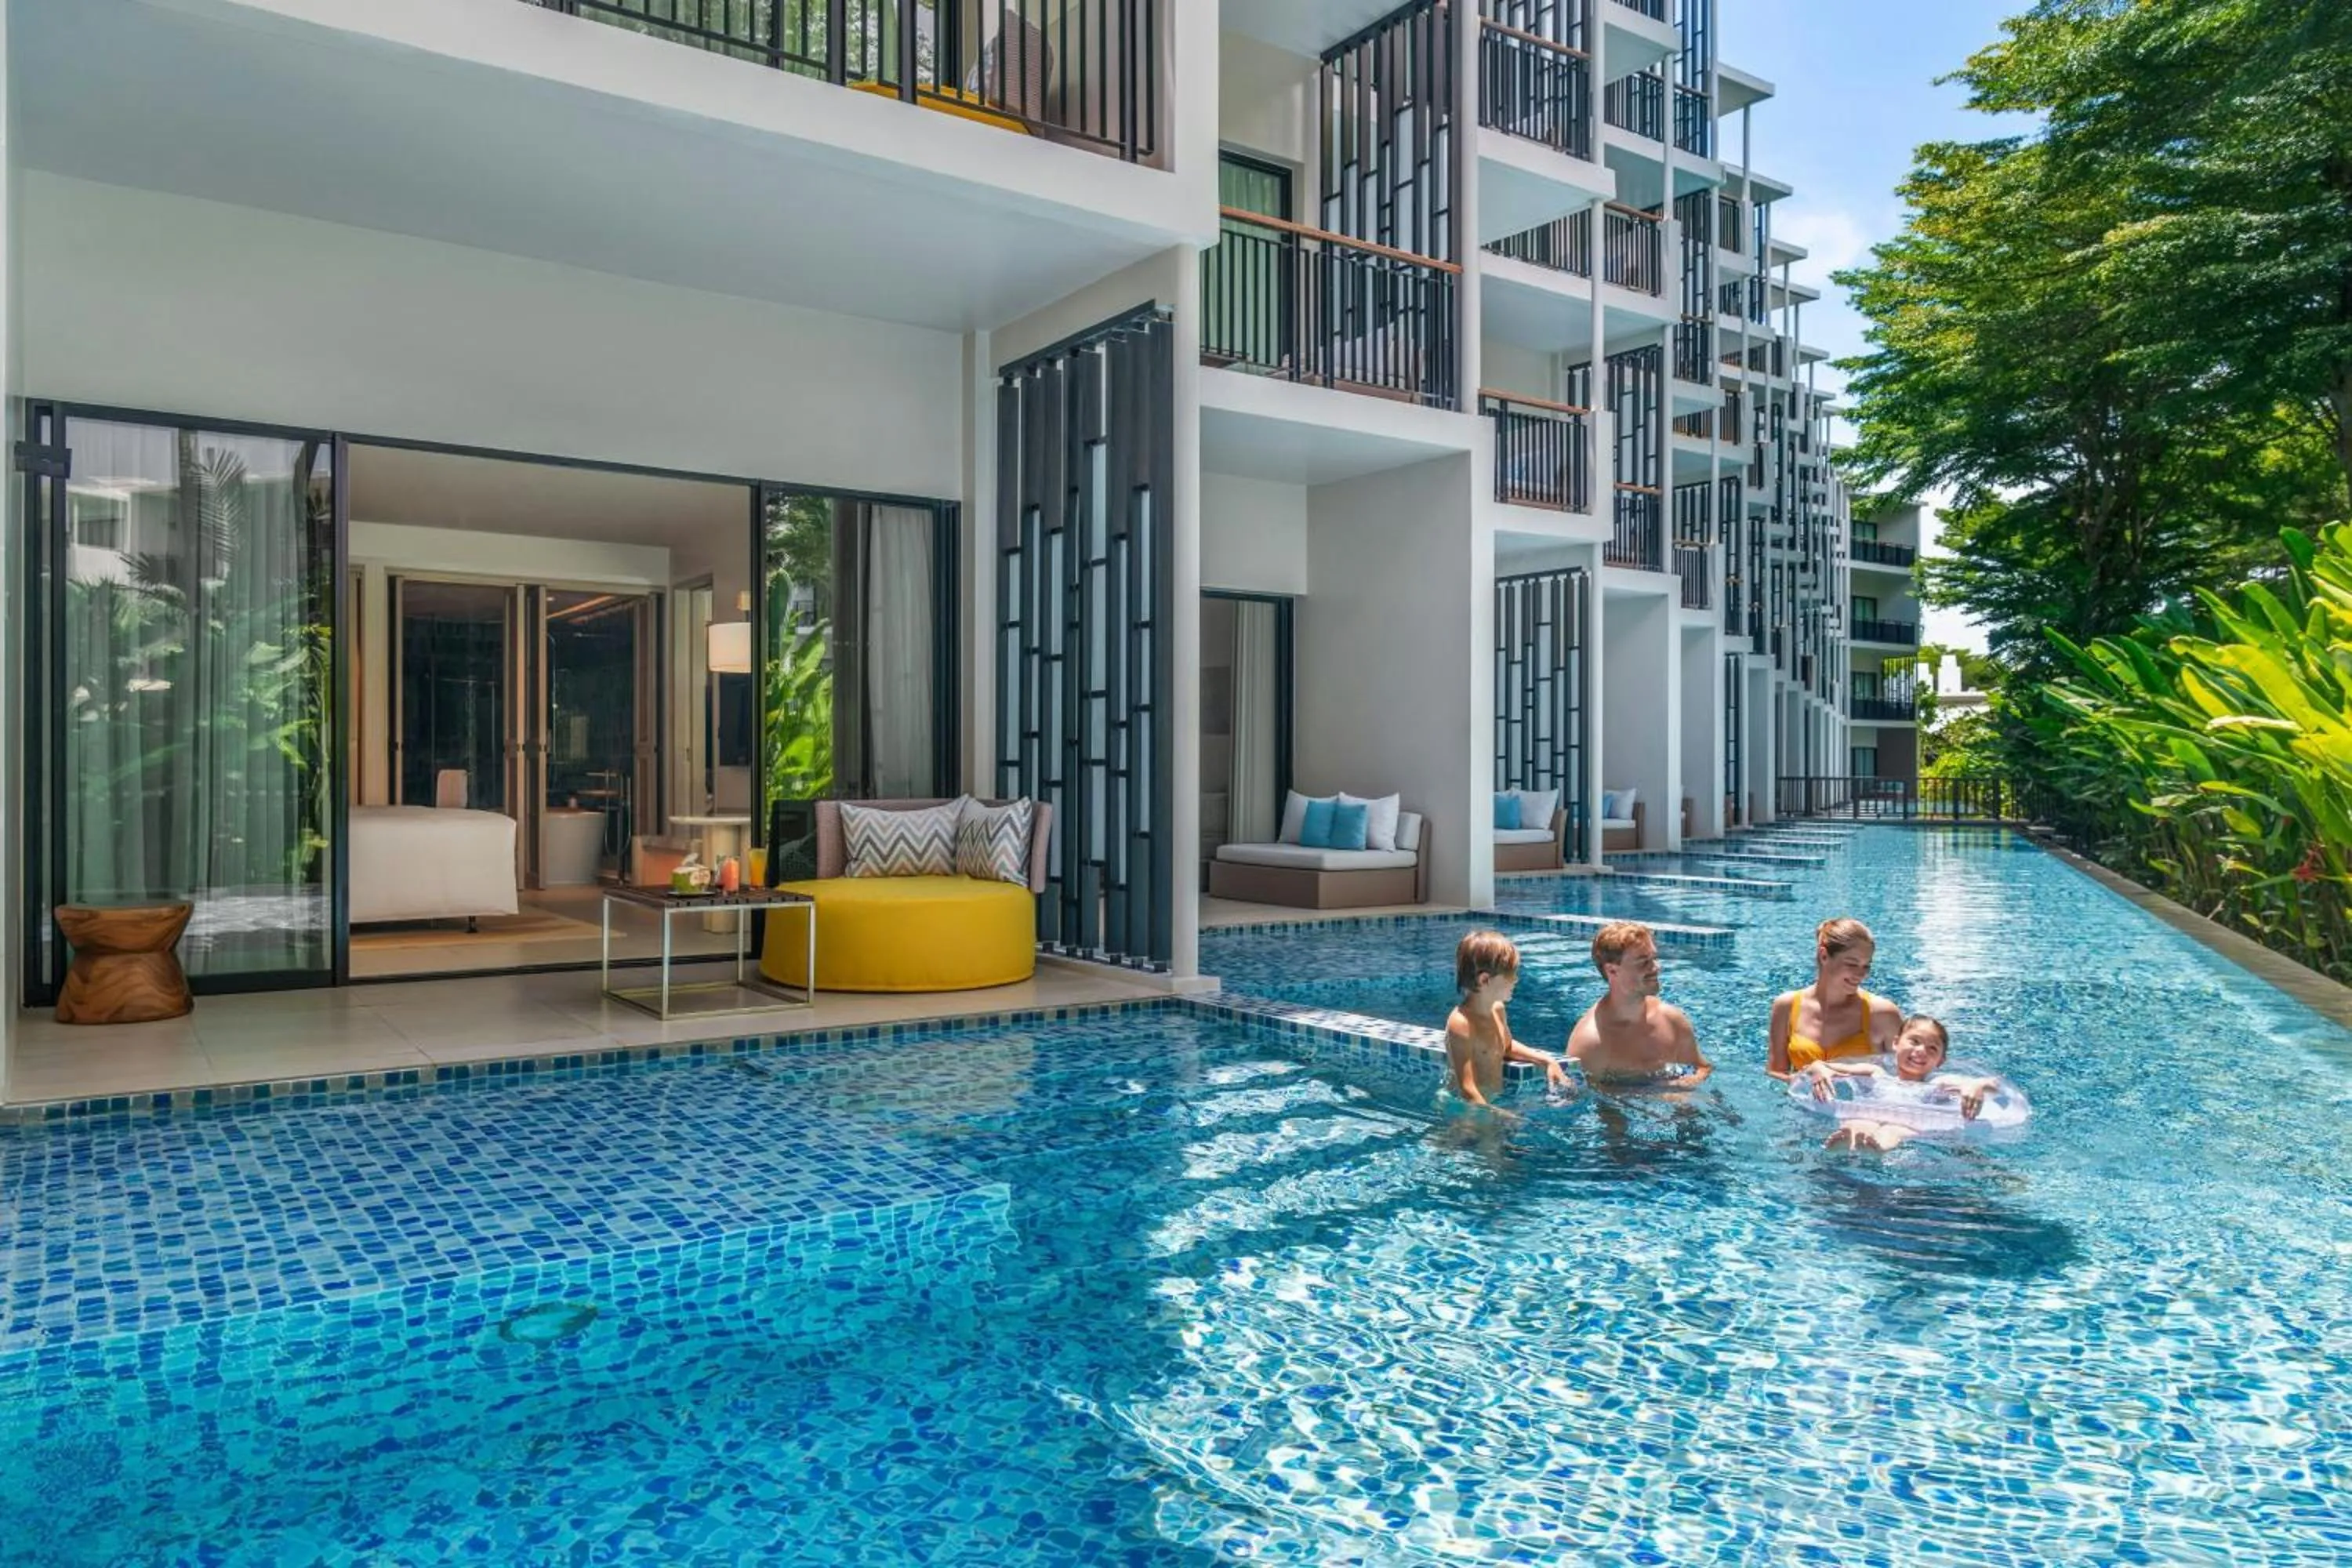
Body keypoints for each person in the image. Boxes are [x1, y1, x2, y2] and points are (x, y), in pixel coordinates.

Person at [1804, 1014, 2004, 1152]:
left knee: (1893, 1130)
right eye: (1914, 1041)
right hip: (1869, 1116)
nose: (1921, 1051)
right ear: (1896, 1043)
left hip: (1908, 1126)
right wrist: (1818, 1069)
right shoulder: (1876, 1074)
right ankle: (1847, 1142)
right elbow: (1822, 1066)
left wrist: (1975, 1086)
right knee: (1858, 1123)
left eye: (1932, 1049)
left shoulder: (1937, 1083)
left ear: (1940, 1061)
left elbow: (1993, 1085)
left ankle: (1877, 1149)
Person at [1565, 920, 1712, 1087]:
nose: (1656, 968)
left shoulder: (1671, 1020)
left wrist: (1685, 1086)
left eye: (1654, 958)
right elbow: (1582, 1098)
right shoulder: (1591, 1042)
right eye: (1644, 962)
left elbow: (1702, 1068)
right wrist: (1659, 1095)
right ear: (1612, 970)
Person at [1443, 930, 1571, 1108]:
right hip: (1466, 1110)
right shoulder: (1461, 1023)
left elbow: (1506, 1046)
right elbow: (1467, 1088)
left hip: (1490, 1103)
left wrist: (1546, 1060)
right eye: (1511, 975)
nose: (1516, 980)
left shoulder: (1497, 1009)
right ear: (1485, 980)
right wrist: (1497, 1115)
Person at [1766, 916, 1904, 1081]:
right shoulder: (1786, 1006)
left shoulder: (1883, 1013)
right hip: (1800, 1106)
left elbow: (1907, 1079)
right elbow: (1775, 1073)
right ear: (1824, 956)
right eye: (1852, 964)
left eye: (1867, 966)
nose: (1861, 974)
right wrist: (1807, 1077)